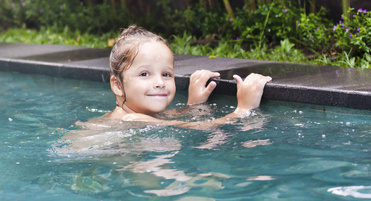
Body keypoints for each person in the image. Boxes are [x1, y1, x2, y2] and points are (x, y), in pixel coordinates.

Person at [96, 24, 272, 128]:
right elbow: (197, 128)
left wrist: (193, 105)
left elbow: (172, 117)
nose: (159, 83)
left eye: (166, 74)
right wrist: (243, 110)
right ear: (117, 85)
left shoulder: (144, 115)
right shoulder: (131, 118)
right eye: (144, 74)